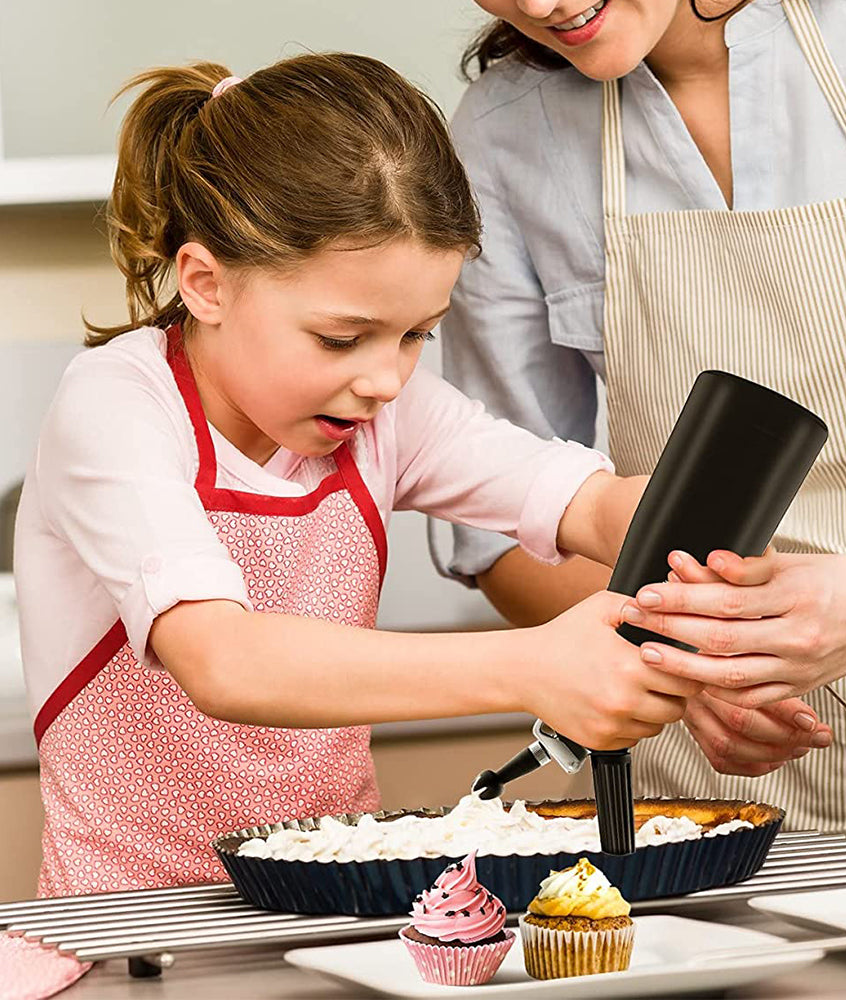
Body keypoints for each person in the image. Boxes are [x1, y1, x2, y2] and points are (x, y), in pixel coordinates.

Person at [3, 53, 699, 995]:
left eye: (417, 334)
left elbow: (585, 501)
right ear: (205, 283)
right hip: (137, 938)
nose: (385, 378)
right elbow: (225, 662)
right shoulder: (119, 405)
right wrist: (534, 664)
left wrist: (709, 544)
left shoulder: (381, 414)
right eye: (342, 338)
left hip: (343, 925)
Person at [435, 0, 846, 829]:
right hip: (708, 809)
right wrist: (690, 661)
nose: (542, 3)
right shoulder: (506, 131)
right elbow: (500, 530)